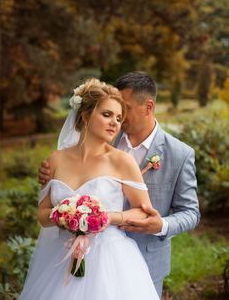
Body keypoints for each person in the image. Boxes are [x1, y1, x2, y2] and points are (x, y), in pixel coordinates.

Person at [39, 72, 200, 299]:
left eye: (124, 110)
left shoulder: (180, 154)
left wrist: (161, 225)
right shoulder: (99, 136)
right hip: (69, 254)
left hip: (139, 258)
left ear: (148, 106)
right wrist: (53, 182)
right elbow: (66, 179)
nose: (118, 119)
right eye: (111, 113)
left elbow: (191, 212)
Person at [20, 78, 159, 300]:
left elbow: (143, 210)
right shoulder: (56, 160)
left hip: (109, 260)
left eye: (119, 118)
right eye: (107, 114)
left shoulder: (122, 161)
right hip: (60, 257)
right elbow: (42, 215)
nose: (114, 122)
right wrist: (64, 215)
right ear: (85, 115)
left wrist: (106, 217)